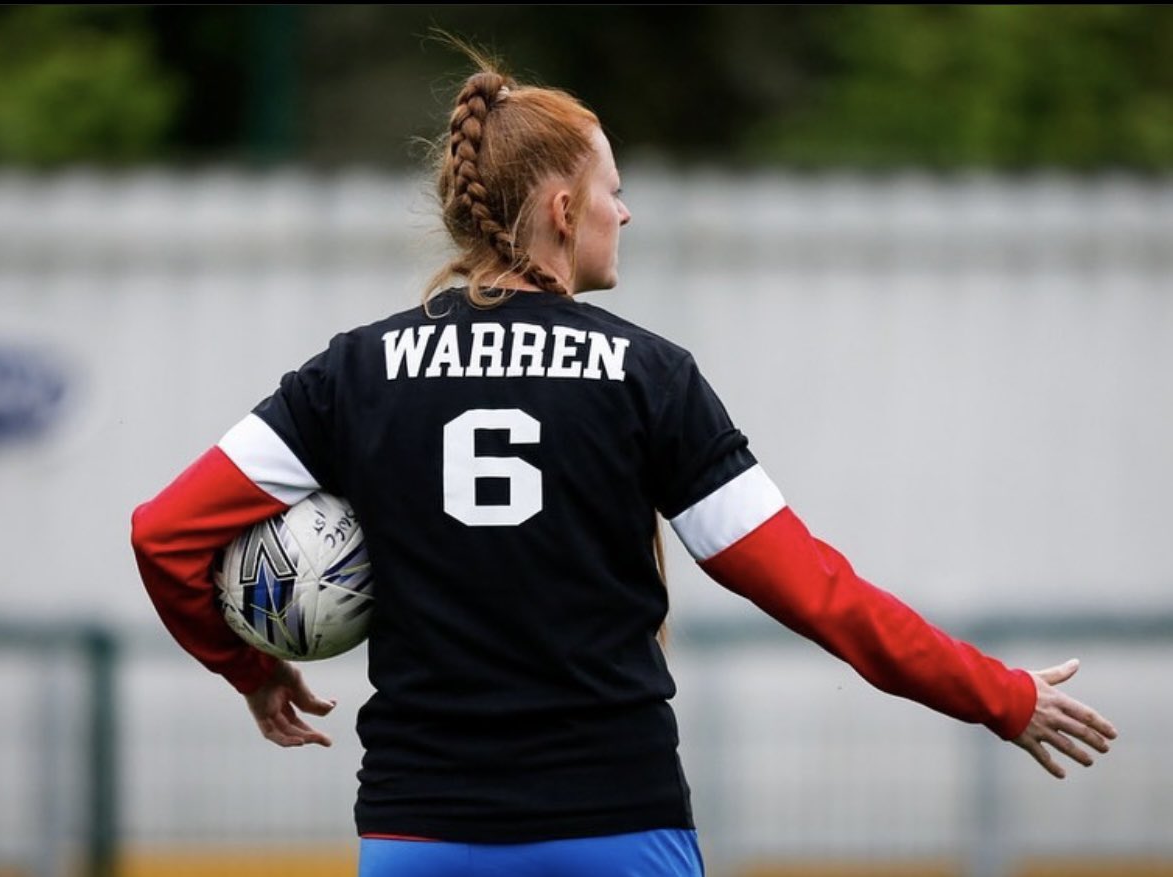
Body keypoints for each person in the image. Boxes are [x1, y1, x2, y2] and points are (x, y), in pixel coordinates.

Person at [130, 58, 1117, 877]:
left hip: (417, 833)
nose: (626, 212)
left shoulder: (353, 373)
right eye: (614, 189)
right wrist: (1000, 695)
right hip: (611, 821)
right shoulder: (648, 375)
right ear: (564, 207)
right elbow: (819, 594)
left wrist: (251, 672)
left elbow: (164, 535)